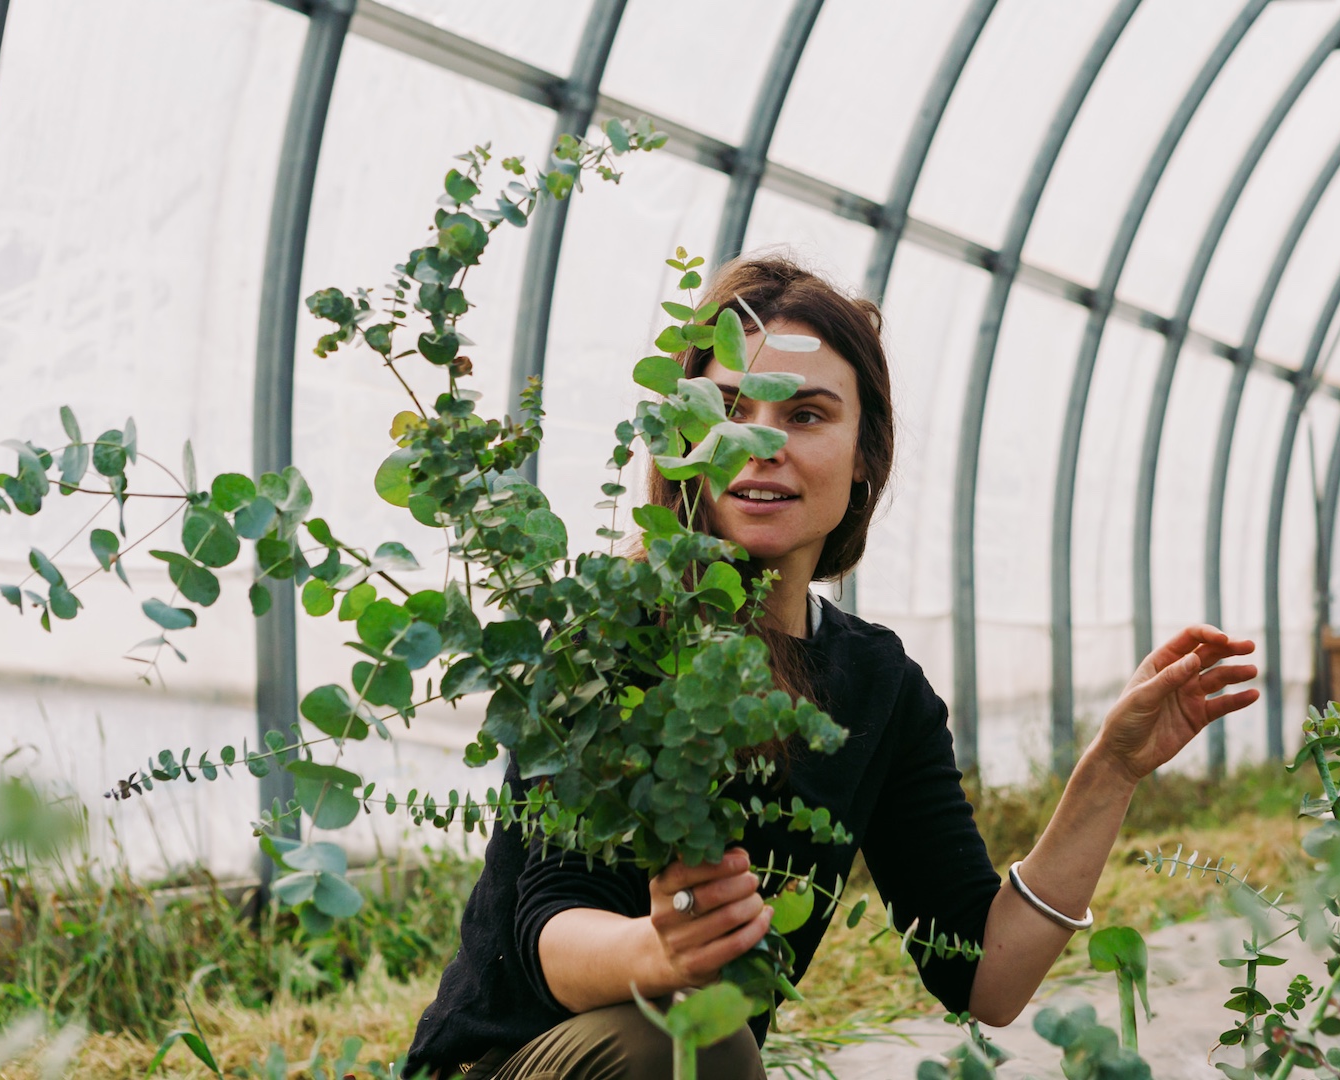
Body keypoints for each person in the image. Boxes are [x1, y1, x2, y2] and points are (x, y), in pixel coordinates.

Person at [404, 256, 1259, 1079]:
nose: (763, 443)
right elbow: (546, 929)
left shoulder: (877, 690)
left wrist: (1109, 772)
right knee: (696, 1042)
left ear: (863, 458)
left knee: (709, 1042)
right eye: (730, 407)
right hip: (513, 1063)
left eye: (805, 415)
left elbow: (984, 978)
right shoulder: (614, 641)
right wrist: (657, 950)